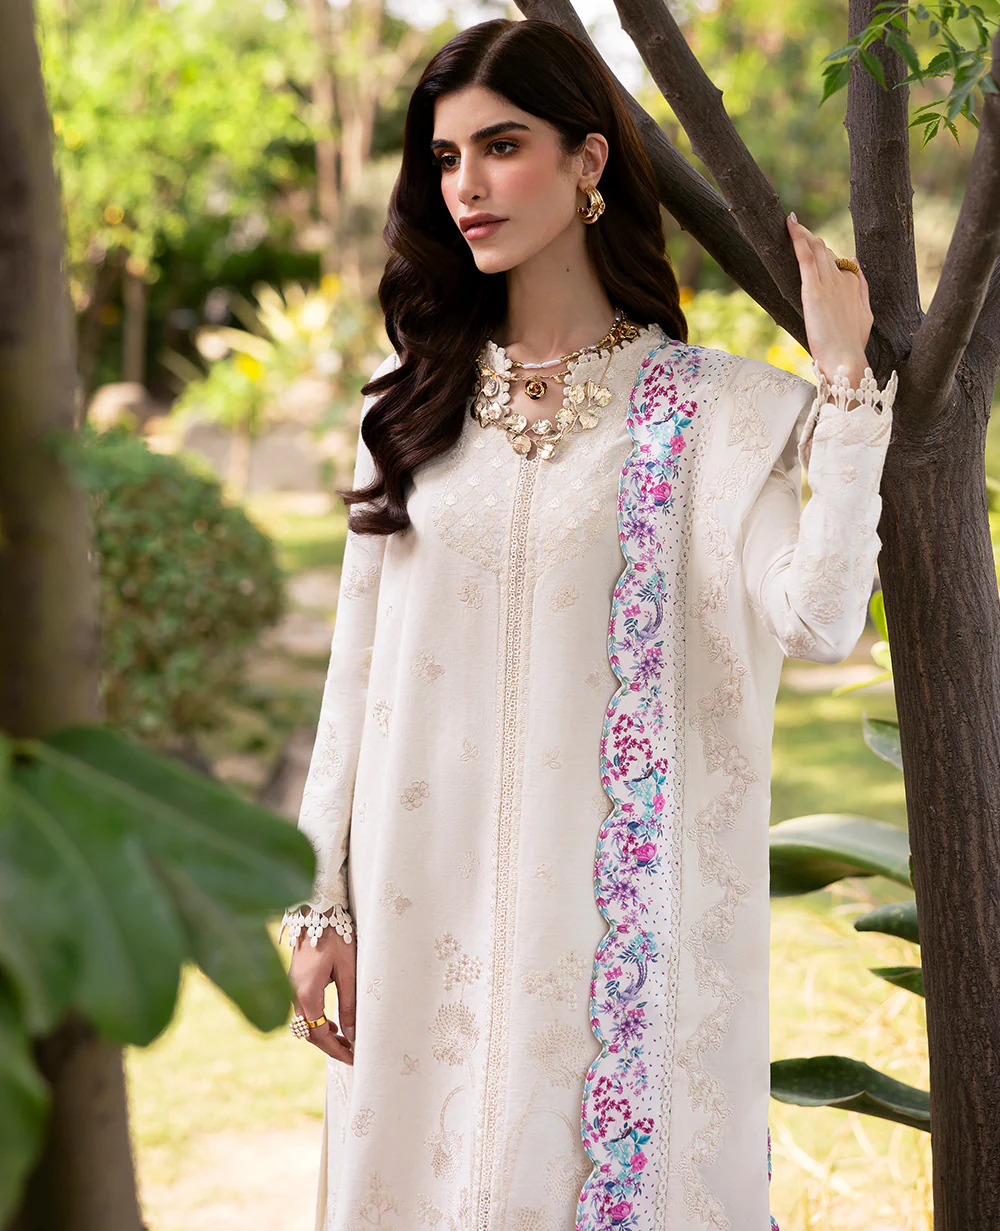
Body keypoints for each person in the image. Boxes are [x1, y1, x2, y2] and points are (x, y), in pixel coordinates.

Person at [280, 17, 897, 1231]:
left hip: (614, 931)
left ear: (589, 161)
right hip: (416, 908)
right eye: (446, 158)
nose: (466, 185)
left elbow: (820, 618)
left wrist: (844, 382)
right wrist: (320, 902)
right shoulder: (409, 404)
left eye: (501, 146)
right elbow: (354, 672)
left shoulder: (712, 415)